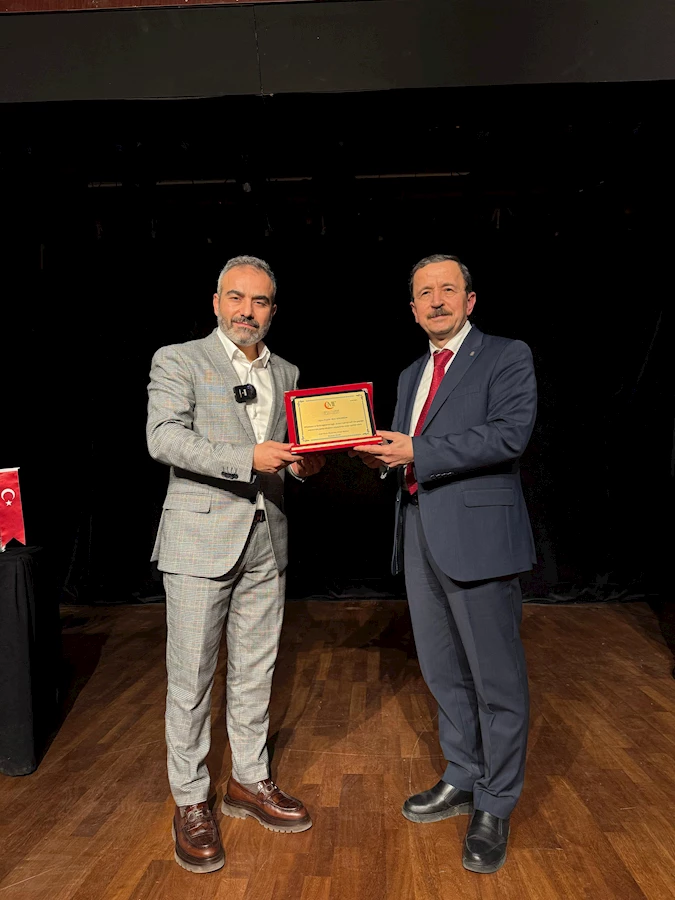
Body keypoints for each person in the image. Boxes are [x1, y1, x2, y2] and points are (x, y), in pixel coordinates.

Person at [352, 254, 537, 874]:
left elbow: (509, 435)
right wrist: (381, 455)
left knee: (496, 681)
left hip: (480, 539)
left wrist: (416, 449)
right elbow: (409, 449)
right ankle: (463, 774)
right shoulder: (412, 373)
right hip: (420, 536)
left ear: (470, 300)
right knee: (442, 671)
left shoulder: (506, 356)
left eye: (448, 289)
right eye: (424, 293)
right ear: (412, 309)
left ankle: (495, 803)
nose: (436, 300)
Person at [147, 255, 325, 874]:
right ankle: (191, 800)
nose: (247, 311)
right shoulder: (179, 359)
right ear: (216, 302)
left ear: (273, 309)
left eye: (260, 301)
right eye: (236, 298)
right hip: (199, 540)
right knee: (191, 679)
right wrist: (248, 456)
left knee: (255, 669)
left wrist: (307, 464)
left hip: (266, 540)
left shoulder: (288, 371)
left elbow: (291, 453)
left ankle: (249, 780)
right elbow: (164, 438)